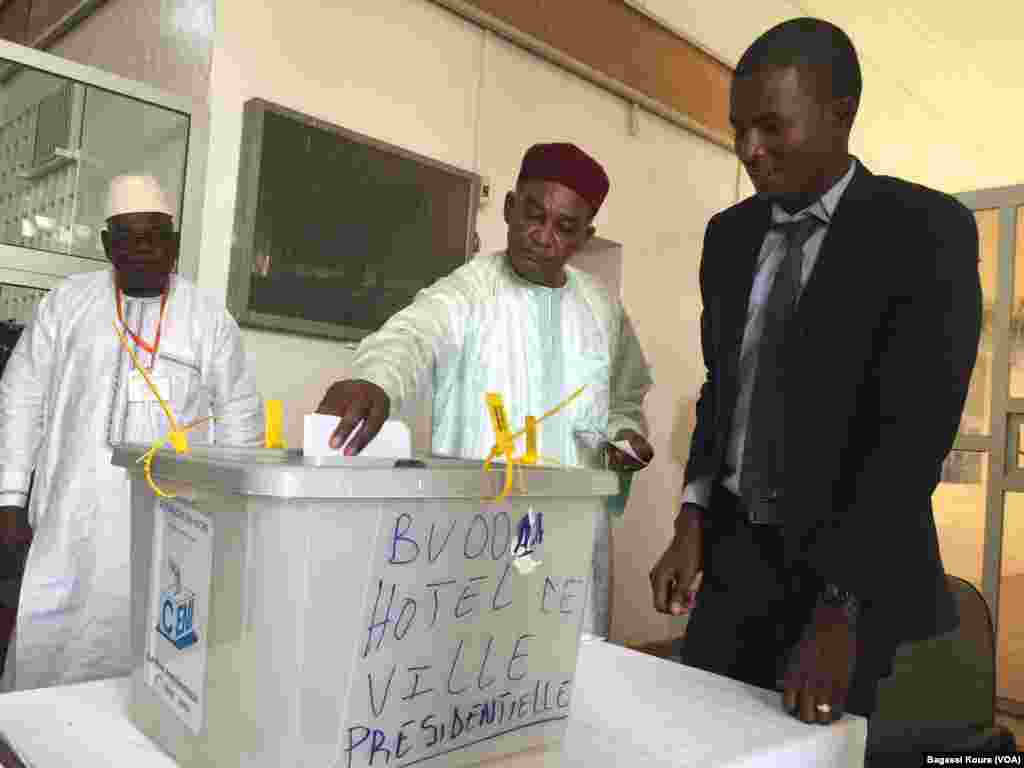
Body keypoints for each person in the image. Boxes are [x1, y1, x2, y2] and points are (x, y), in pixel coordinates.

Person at [650, 18, 981, 724]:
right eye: (738, 129)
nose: (750, 150)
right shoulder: (729, 238)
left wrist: (840, 609)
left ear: (841, 114)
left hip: (853, 579)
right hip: (737, 571)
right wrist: (692, 514)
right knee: (705, 740)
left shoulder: (923, 231)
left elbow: (912, 436)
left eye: (772, 127)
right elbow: (724, 389)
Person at [318, 142, 654, 639]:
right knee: (475, 663)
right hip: (484, 525)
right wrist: (374, 379)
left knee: (572, 670)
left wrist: (626, 436)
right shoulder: (469, 290)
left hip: (572, 530)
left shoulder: (600, 307)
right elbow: (410, 336)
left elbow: (624, 398)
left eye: (564, 228)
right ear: (509, 208)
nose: (543, 237)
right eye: (532, 216)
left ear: (586, 236)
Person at [0, 175, 265, 691]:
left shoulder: (208, 320)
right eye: (128, 237)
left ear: (175, 243)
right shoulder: (67, 304)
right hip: (70, 519)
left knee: (153, 658)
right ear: (107, 246)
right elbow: (21, 396)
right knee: (49, 647)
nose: (143, 249)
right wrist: (9, 497)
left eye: (156, 236)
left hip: (172, 524)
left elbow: (239, 418)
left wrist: (236, 519)